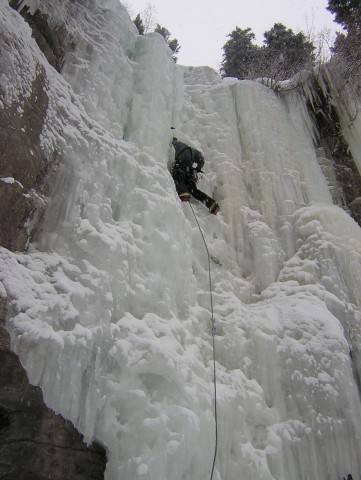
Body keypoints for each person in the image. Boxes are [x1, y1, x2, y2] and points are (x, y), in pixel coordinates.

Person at [171, 137, 220, 215]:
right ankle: (212, 204)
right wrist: (197, 169)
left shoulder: (174, 144)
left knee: (178, 174)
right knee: (193, 189)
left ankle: (184, 194)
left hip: (182, 158)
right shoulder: (191, 149)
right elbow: (201, 160)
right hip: (189, 165)